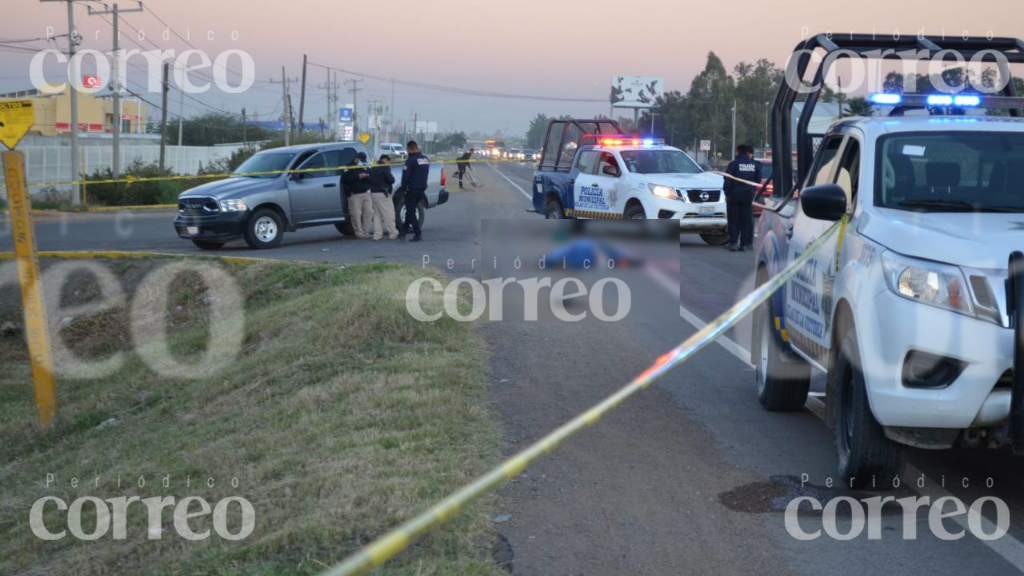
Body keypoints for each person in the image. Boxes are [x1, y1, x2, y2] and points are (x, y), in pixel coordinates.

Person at [723, 144, 761, 252]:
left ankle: (734, 243)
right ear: (747, 152)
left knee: (733, 219)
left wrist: (728, 193)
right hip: (748, 195)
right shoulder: (755, 165)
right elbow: (758, 180)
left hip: (734, 196)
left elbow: (727, 179)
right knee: (746, 220)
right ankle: (744, 244)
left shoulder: (733, 164)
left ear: (738, 152)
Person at [398, 141, 429, 242]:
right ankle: (403, 233)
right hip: (421, 188)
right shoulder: (425, 159)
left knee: (410, 212)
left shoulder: (410, 160)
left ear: (409, 149)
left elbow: (405, 176)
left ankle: (418, 234)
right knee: (409, 210)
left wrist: (403, 188)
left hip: (411, 189)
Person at [342, 152, 373, 239]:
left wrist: (366, 176)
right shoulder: (349, 166)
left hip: (366, 193)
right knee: (356, 214)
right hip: (355, 194)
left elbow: (371, 175)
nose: (361, 162)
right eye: (360, 160)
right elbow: (346, 179)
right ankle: (359, 232)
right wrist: (358, 176)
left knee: (369, 212)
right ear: (356, 158)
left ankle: (365, 231)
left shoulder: (364, 165)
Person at [368, 154, 399, 240]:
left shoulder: (373, 168)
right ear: (385, 160)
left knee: (377, 215)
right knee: (389, 213)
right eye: (388, 162)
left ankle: (377, 235)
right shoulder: (384, 167)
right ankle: (393, 233)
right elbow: (391, 179)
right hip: (383, 193)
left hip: (373, 193)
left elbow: (369, 179)